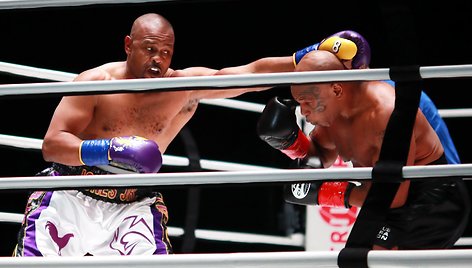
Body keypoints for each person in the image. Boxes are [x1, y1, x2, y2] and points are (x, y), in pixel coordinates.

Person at [13, 12, 303, 257]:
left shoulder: (182, 88)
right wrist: (108, 149)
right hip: (70, 194)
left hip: (132, 203)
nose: (158, 60)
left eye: (165, 53)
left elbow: (250, 75)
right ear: (128, 45)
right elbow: (52, 144)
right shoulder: (96, 83)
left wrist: (303, 59)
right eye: (150, 49)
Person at [257, 50, 470, 250]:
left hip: (433, 202)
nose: (303, 112)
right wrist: (292, 145)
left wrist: (330, 193)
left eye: (307, 102)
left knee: (369, 258)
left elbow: (392, 197)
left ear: (336, 89)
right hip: (386, 198)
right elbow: (320, 152)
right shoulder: (334, 112)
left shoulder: (386, 113)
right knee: (356, 258)